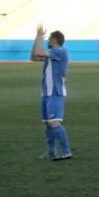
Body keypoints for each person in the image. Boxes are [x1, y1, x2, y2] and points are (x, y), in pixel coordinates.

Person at [30, 24, 72, 160]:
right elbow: (33, 57)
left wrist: (39, 37)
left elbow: (38, 52)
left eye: (49, 39)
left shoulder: (60, 51)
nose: (47, 41)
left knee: (53, 122)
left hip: (56, 92)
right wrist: (37, 38)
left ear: (54, 40)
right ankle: (51, 151)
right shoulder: (51, 55)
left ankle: (66, 151)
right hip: (46, 93)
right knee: (48, 123)